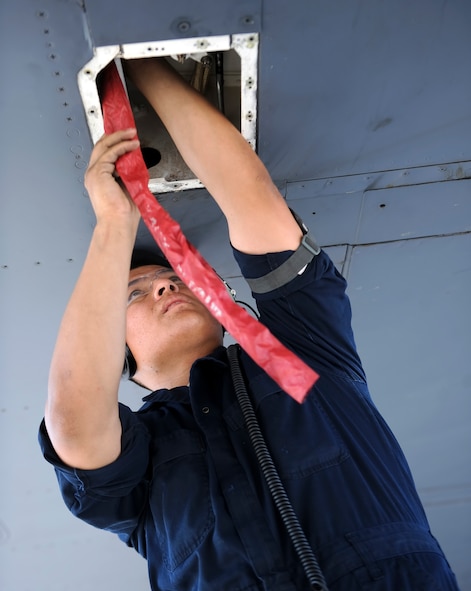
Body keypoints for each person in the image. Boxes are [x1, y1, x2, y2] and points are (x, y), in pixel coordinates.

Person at [39, 58, 460, 591]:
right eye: (135, 295)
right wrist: (114, 224)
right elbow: (74, 423)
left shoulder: (307, 352)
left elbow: (256, 204)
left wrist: (138, 66)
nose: (167, 286)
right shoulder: (137, 467)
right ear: (118, 356)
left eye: (173, 277)